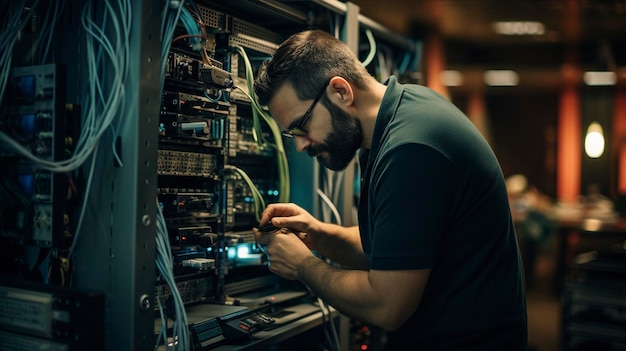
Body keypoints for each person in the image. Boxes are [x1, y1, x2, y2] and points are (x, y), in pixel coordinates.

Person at [252, 29, 527, 350]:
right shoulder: (404, 114)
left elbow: (387, 305)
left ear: (340, 91)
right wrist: (317, 234)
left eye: (302, 126)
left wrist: (303, 266)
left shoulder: (411, 148)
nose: (300, 145)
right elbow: (393, 248)